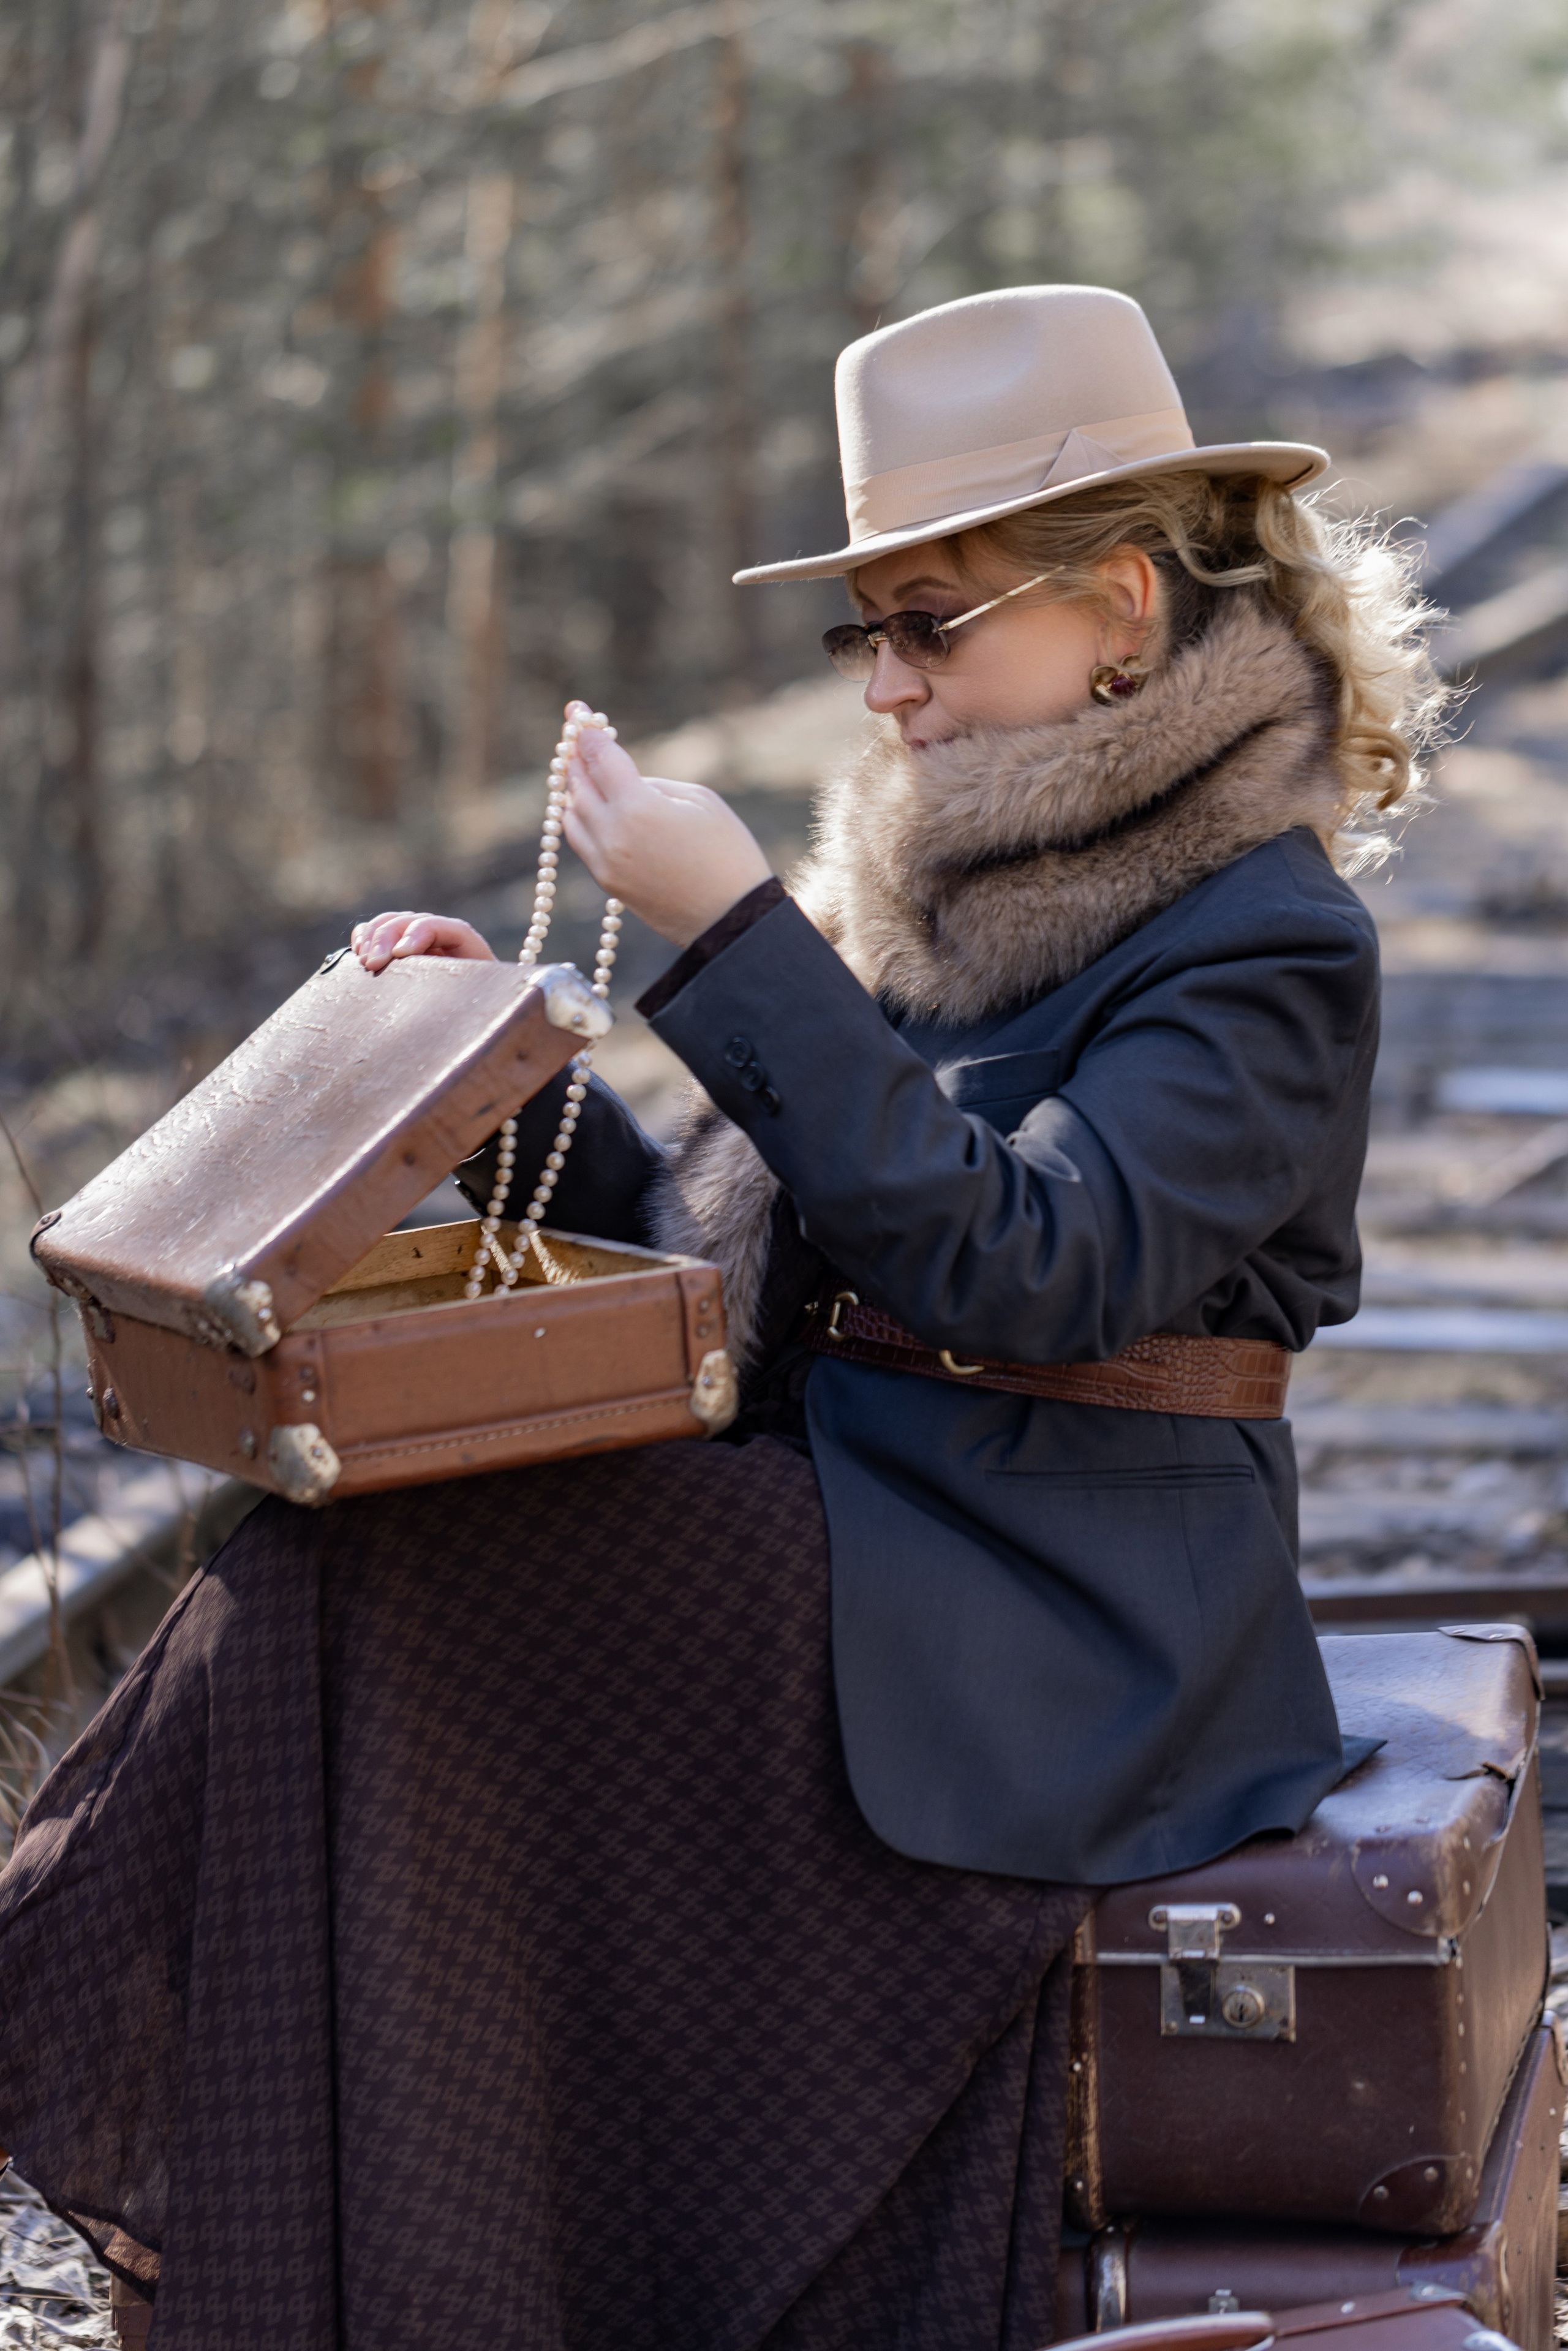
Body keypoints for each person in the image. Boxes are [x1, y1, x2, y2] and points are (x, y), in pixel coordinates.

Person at [0, 285, 1441, 2351]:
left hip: (1073, 1620)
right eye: (868, 634)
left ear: (1123, 600)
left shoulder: (1269, 937)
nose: (890, 691)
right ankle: (365, 2253)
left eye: (931, 624)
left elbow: (1031, 1270)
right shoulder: (947, 881)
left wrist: (743, 937)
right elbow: (741, 1256)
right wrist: (495, 1089)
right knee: (358, 1533)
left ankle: (304, 2224)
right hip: (878, 1525)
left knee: (393, 1571)